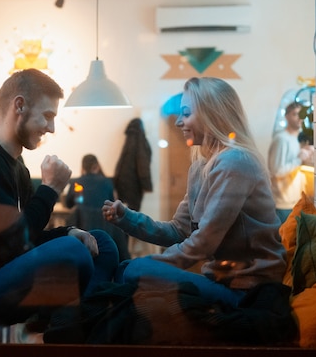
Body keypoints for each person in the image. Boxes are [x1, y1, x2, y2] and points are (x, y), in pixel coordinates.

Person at [0, 68, 118, 327]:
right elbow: (13, 247)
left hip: (2, 277)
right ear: (19, 106)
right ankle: (70, 319)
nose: (51, 128)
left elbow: (26, 238)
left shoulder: (17, 167)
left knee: (101, 242)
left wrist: (69, 231)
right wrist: (50, 189)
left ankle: (77, 316)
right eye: (48, 116)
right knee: (74, 251)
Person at [102, 77, 286, 308]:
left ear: (213, 114)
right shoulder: (200, 167)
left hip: (251, 291)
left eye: (186, 113)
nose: (179, 122)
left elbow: (204, 242)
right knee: (115, 257)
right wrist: (127, 218)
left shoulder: (236, 162)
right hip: (221, 281)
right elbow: (179, 231)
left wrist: (149, 266)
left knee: (132, 270)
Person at [65, 154, 130, 261]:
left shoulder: (77, 184)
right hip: (106, 230)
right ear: (97, 166)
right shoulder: (107, 182)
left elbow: (69, 204)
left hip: (82, 230)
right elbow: (111, 203)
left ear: (83, 167)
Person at [267, 102, 314, 222]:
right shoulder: (281, 139)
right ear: (287, 116)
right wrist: (299, 159)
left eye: (301, 114)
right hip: (283, 204)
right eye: (295, 114)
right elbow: (277, 170)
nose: (299, 118)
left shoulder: (298, 139)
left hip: (296, 201)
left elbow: (297, 167)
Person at [113, 118, 153, 211]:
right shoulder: (141, 142)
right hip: (136, 184)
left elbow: (120, 165)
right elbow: (143, 164)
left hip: (122, 183)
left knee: (122, 213)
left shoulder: (128, 141)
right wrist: (146, 184)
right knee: (134, 213)